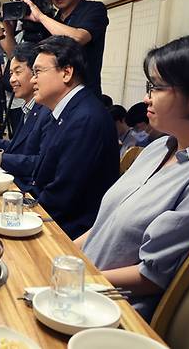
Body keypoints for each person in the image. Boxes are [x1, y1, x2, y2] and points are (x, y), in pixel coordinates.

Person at [77, 30, 189, 321]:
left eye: (157, 87)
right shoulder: (159, 146)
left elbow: (151, 276)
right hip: (81, 283)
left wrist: (79, 281)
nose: (146, 97)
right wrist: (60, 257)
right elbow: (106, 225)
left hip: (115, 312)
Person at [28, 35, 119, 239]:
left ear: (67, 72)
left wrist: (18, 213)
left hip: (70, 232)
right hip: (53, 217)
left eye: (38, 72)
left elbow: (62, 197)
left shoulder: (85, 118)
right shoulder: (67, 109)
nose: (32, 79)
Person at [16, 0, 108, 97]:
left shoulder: (94, 9)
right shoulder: (52, 20)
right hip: (55, 96)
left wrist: (41, 17)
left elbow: (78, 37)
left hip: (84, 94)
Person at [0, 42, 52, 189]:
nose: (11, 79)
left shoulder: (46, 111)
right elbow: (19, 146)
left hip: (26, 188)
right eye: (11, 73)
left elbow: (40, 163)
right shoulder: (29, 107)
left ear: (36, 73)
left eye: (18, 72)